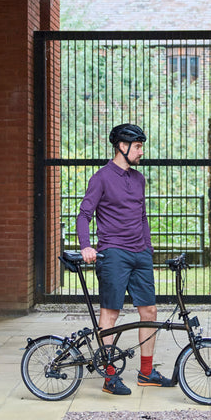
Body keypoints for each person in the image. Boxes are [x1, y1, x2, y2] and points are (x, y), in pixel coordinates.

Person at [76, 123, 176, 395]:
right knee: (111, 313)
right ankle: (110, 376)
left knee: (150, 312)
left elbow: (142, 216)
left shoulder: (139, 178)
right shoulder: (101, 178)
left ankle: (146, 373)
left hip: (139, 253)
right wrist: (86, 246)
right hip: (113, 253)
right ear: (122, 147)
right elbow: (84, 215)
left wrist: (148, 248)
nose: (141, 151)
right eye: (138, 146)